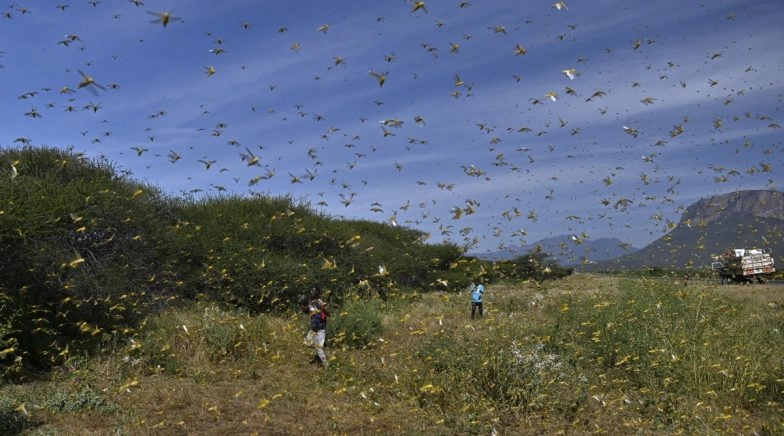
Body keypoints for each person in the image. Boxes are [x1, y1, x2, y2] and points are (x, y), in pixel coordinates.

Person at [303, 286, 329, 367]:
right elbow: (306, 311)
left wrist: (319, 306)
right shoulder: (310, 302)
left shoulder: (319, 301)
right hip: (314, 326)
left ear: (317, 293)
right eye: (311, 290)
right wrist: (302, 305)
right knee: (308, 343)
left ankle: (326, 365)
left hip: (320, 327)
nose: (311, 292)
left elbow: (327, 313)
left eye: (313, 291)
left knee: (318, 348)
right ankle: (323, 344)